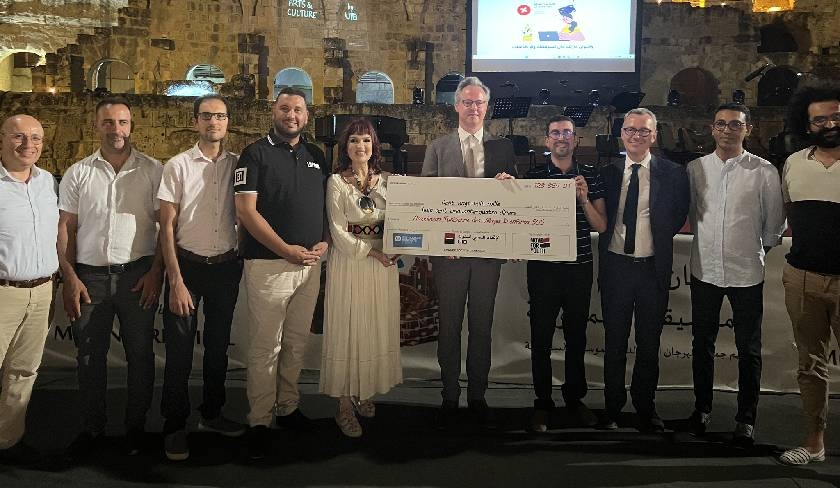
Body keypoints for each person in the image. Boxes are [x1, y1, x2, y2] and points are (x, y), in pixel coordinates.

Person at [57, 97, 164, 456]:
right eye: (108, 122)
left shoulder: (153, 170)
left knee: (141, 356)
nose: (115, 129)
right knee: (89, 357)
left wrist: (156, 273)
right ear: (96, 125)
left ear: (131, 126)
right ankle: (93, 431)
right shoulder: (78, 172)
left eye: (122, 122)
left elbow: (166, 226)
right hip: (90, 280)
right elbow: (66, 228)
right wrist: (69, 277)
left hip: (137, 276)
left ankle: (136, 429)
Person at [234, 87, 329, 459]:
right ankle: (259, 419)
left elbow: (326, 208)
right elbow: (246, 212)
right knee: (266, 347)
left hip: (309, 266)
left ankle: (288, 407)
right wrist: (285, 250)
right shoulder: (255, 154)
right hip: (269, 265)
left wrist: (325, 242)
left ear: (307, 115)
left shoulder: (316, 155)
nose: (292, 115)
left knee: (295, 343)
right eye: (285, 108)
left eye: (298, 110)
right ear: (273, 112)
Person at [686, 104, 785, 446]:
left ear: (748, 129)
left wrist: (753, 251)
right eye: (721, 124)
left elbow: (774, 224)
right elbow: (692, 213)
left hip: (746, 272)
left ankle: (746, 419)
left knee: (749, 349)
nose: (727, 130)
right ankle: (701, 410)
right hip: (705, 269)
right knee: (702, 344)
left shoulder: (764, 171)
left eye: (735, 124)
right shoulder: (695, 169)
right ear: (712, 129)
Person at [421, 76, 516, 429]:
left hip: (488, 255)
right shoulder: (437, 147)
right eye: (467, 102)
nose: (473, 108)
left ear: (486, 107)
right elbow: (426, 199)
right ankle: (449, 395)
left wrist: (511, 187)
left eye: (479, 102)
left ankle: (478, 396)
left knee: (481, 327)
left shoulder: (503, 148)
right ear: (456, 106)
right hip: (449, 256)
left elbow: (517, 200)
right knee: (449, 326)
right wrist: (439, 243)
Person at [156, 95, 245, 461]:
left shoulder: (239, 165)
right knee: (179, 352)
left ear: (227, 122)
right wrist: (175, 280)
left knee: (218, 348)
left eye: (220, 116)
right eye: (207, 116)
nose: (213, 122)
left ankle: (211, 413)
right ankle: (174, 424)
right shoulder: (177, 165)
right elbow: (166, 226)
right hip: (187, 269)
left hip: (225, 267)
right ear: (196, 121)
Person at [597, 108, 689, 433]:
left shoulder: (673, 173)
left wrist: (655, 239)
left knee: (649, 343)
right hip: (616, 268)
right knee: (614, 341)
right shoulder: (607, 173)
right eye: (630, 130)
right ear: (621, 134)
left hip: (652, 269)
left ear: (654, 136)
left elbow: (679, 214)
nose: (636, 136)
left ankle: (645, 406)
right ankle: (612, 406)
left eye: (643, 131)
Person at [320, 118, 402, 438]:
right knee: (347, 328)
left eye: (366, 140)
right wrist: (372, 252)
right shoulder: (336, 182)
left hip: (381, 267)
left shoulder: (390, 181)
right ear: (345, 147)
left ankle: (363, 390)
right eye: (354, 140)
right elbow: (338, 230)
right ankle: (343, 403)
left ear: (374, 146)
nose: (360, 146)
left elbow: (405, 219)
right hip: (351, 263)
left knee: (372, 327)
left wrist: (398, 247)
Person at [524, 115, 606, 432]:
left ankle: (574, 399)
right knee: (541, 337)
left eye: (567, 133)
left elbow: (601, 225)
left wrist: (583, 199)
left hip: (578, 269)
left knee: (576, 337)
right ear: (547, 140)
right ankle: (542, 402)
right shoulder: (533, 177)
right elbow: (519, 219)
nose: (561, 137)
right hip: (543, 271)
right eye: (555, 133)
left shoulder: (591, 175)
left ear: (576, 140)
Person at [778, 84, 840, 465]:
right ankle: (814, 444)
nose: (830, 124)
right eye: (820, 120)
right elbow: (790, 214)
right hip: (803, 279)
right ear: (806, 124)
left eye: (836, 116)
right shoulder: (794, 163)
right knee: (810, 366)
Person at [0, 115, 58, 461]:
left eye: (36, 137)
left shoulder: (46, 182)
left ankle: (8, 442)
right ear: (2, 139)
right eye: (19, 136)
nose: (28, 144)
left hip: (41, 292)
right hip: (3, 293)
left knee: (23, 372)